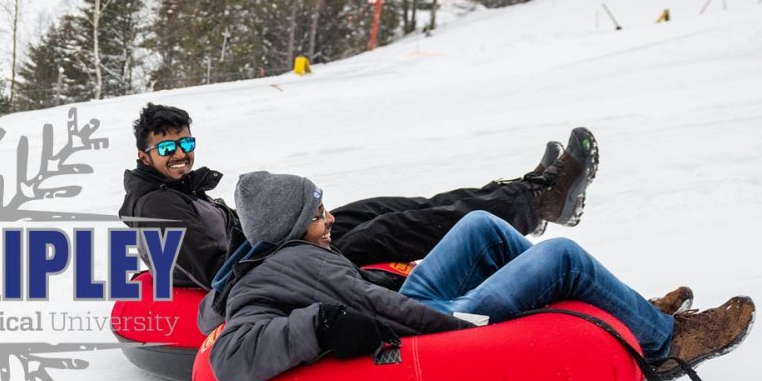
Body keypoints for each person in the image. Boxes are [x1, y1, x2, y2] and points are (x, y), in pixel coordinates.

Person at [206, 171, 755, 381]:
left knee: (480, 226)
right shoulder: (259, 284)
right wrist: (320, 327)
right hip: (434, 328)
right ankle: (664, 340)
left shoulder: (297, 256)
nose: (331, 220)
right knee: (560, 254)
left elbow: (349, 285)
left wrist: (384, 284)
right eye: (320, 213)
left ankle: (633, 309)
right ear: (292, 227)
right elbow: (231, 356)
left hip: (407, 302)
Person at [118, 103, 596, 292]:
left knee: (379, 207)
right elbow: (214, 274)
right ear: (146, 154)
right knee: (390, 230)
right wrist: (285, 243)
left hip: (273, 252)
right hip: (272, 270)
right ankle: (538, 202)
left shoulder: (174, 189)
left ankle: (521, 194)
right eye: (167, 147)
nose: (180, 154)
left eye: (185, 143)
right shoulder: (158, 206)